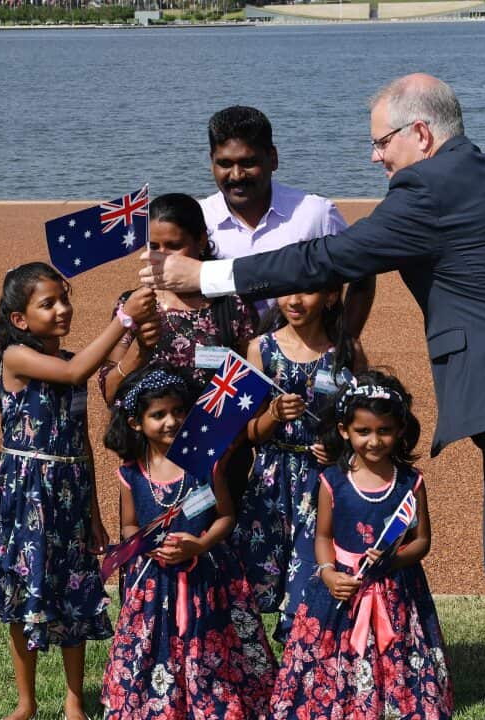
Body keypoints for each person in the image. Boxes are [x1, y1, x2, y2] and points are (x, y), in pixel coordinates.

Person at [141, 74, 485, 720]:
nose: (375, 157)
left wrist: (207, 275)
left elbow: (328, 260)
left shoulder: (427, 189)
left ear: (421, 133)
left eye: (381, 142)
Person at [0, 262, 156, 720]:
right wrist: (123, 318)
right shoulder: (16, 357)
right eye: (48, 304)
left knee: (74, 590)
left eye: (64, 299)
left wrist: (94, 514)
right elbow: (76, 371)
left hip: (69, 490)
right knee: (23, 593)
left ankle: (73, 699)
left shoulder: (70, 362)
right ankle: (26, 702)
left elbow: (82, 438)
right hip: (26, 491)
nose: (62, 309)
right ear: (19, 319)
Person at [271, 369, 453, 720]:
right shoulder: (332, 480)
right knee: (331, 657)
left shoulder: (411, 482)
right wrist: (327, 573)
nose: (374, 441)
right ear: (344, 430)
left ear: (400, 429)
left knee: (400, 652)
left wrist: (393, 559)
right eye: (363, 431)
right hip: (340, 588)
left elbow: (422, 541)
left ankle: (396, 703)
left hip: (396, 588)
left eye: (384, 431)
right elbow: (323, 537)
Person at [100, 363, 277, 720]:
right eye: (158, 414)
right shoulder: (131, 473)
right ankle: (160, 703)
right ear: (136, 422)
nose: (171, 421)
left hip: (208, 577)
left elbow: (226, 517)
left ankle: (212, 700)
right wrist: (148, 546)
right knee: (154, 642)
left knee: (211, 641)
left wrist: (199, 544)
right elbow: (129, 525)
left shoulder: (206, 465)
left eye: (179, 411)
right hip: (154, 580)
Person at [236, 286, 366, 638]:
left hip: (322, 484)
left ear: (330, 297)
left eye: (307, 292)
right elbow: (249, 432)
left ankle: (303, 658)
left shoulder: (346, 351)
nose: (294, 301)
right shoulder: (260, 348)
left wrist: (338, 451)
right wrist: (274, 414)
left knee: (310, 576)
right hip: (271, 481)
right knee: (257, 572)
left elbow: (362, 422)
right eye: (287, 292)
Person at [202, 105, 376, 335]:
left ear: (273, 158)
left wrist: (348, 337)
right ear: (211, 162)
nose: (236, 175)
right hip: (224, 355)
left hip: (301, 354)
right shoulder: (199, 218)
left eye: (248, 163)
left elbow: (363, 270)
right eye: (224, 164)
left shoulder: (314, 213)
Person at [98, 192, 257, 407]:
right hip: (148, 428)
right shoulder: (136, 305)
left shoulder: (232, 304)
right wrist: (139, 352)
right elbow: (110, 393)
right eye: (154, 246)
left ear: (201, 241)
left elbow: (252, 384)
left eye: (173, 246)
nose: (161, 256)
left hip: (212, 426)